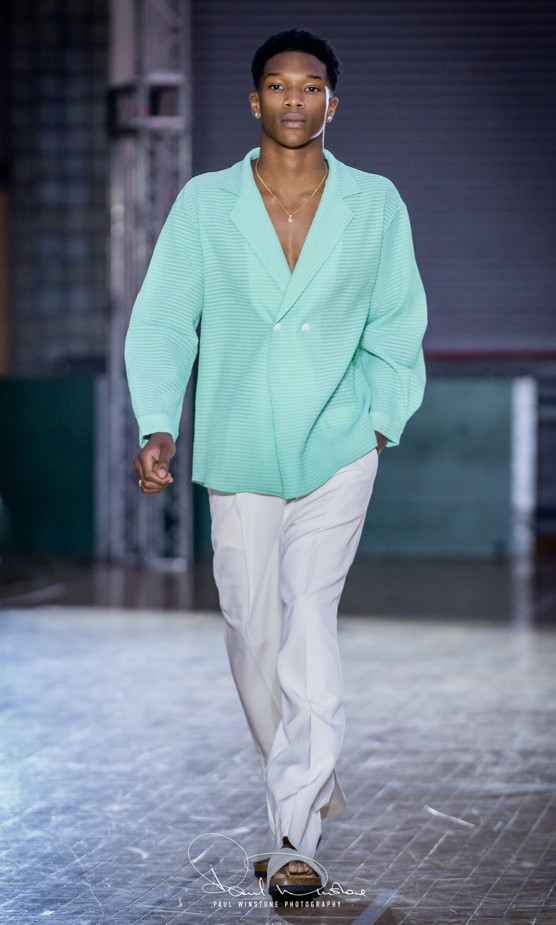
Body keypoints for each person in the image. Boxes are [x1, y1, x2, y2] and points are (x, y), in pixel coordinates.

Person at [125, 28, 427, 901]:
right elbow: (162, 318)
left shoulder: (375, 203)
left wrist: (378, 422)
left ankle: (295, 834)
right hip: (239, 447)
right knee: (250, 631)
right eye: (278, 85)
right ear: (254, 99)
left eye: (310, 86)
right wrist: (159, 422)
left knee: (308, 625)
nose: (295, 99)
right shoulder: (205, 204)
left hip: (339, 445)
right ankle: (306, 780)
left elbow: (397, 323)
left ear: (333, 102)